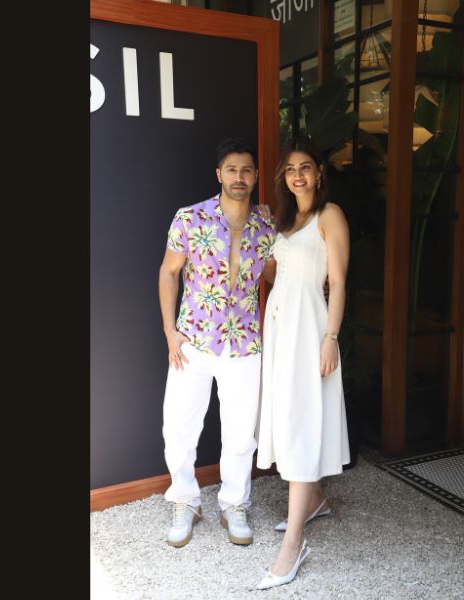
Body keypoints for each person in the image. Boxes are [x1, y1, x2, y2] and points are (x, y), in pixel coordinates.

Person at [158, 138, 276, 548]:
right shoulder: (190, 218)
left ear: (255, 176)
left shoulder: (267, 228)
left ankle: (235, 504)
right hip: (193, 340)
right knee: (179, 427)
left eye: (246, 170)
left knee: (242, 433)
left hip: (244, 343)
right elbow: (169, 272)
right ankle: (185, 501)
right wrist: (170, 332)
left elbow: (277, 277)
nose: (239, 177)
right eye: (232, 170)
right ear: (219, 174)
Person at [254, 137, 351, 589]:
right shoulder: (283, 220)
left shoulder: (330, 215)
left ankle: (293, 545)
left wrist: (331, 339)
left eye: (305, 167)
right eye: (291, 168)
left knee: (300, 420)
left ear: (319, 173)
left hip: (311, 328)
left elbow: (338, 282)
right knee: (288, 414)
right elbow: (275, 273)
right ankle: (315, 501)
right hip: (280, 327)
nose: (298, 175)